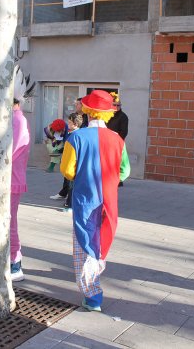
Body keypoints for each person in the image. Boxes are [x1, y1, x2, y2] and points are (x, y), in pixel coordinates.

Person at [60, 90, 130, 312]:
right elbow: (125, 171)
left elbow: (67, 171)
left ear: (88, 112)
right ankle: (94, 282)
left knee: (84, 241)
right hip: (109, 198)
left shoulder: (76, 138)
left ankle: (92, 295)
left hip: (85, 197)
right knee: (101, 240)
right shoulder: (118, 139)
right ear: (109, 113)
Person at [10, 97, 30, 282]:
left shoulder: (17, 119)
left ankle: (15, 263)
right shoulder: (12, 118)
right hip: (8, 178)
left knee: (9, 224)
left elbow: (12, 150)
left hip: (11, 179)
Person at [50, 112, 83, 211]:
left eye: (69, 122)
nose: (68, 124)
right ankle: (68, 200)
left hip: (72, 163)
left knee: (71, 184)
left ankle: (70, 205)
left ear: (75, 124)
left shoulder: (76, 135)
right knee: (69, 183)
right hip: (70, 161)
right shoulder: (72, 133)